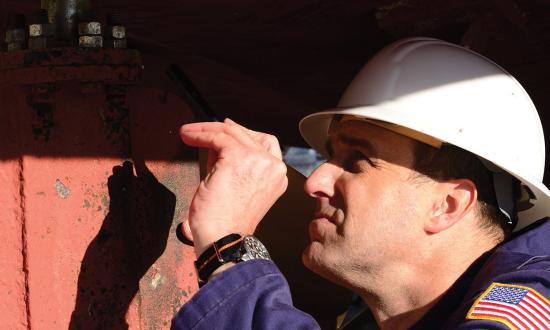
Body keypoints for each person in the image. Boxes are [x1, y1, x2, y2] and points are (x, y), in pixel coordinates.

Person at [171, 38, 550, 329]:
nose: (314, 181)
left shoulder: (528, 307)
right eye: (327, 158)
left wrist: (229, 252)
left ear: (447, 205)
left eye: (358, 162)